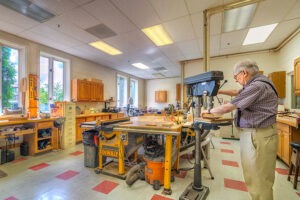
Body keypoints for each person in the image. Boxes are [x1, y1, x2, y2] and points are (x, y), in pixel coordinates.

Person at [202, 60, 278, 200]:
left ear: (244, 73)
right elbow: (237, 92)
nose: (236, 81)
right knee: (253, 176)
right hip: (256, 134)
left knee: (259, 179)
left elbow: (226, 108)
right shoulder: (258, 83)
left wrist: (207, 111)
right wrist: (217, 90)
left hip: (259, 135)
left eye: (236, 77)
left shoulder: (257, 86)